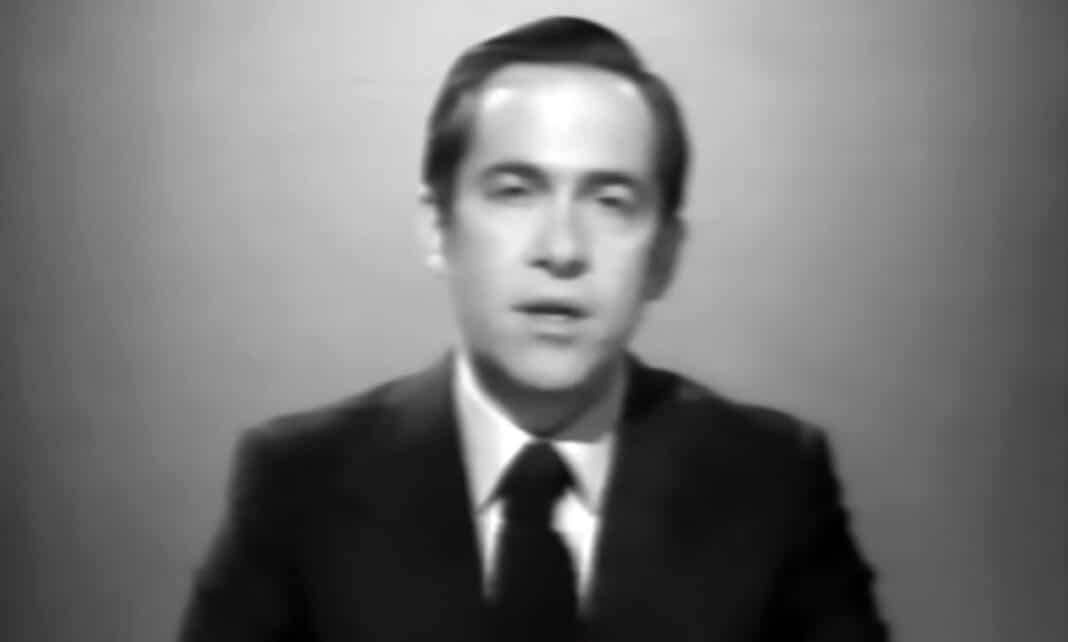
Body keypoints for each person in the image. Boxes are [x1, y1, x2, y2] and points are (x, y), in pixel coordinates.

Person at [178, 16, 890, 642]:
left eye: (611, 201)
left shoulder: (772, 485)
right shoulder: (301, 487)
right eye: (515, 192)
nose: (561, 249)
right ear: (437, 227)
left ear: (664, 256)